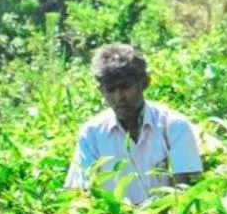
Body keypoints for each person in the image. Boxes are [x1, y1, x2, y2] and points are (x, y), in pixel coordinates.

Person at [65, 44, 203, 204]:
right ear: (101, 92)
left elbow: (186, 193)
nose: (119, 97)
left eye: (126, 87)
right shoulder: (92, 134)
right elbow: (79, 194)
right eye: (111, 90)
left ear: (144, 83)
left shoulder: (173, 126)